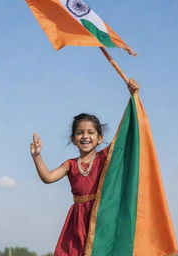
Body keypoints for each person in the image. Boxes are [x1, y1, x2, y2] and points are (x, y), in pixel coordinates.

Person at [30, 79, 139, 256]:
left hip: (102, 217)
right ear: (73, 139)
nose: (85, 136)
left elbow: (127, 136)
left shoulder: (106, 157)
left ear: (99, 138)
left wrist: (133, 96)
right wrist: (37, 156)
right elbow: (48, 177)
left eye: (91, 132)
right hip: (78, 222)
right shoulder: (70, 164)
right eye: (80, 132)